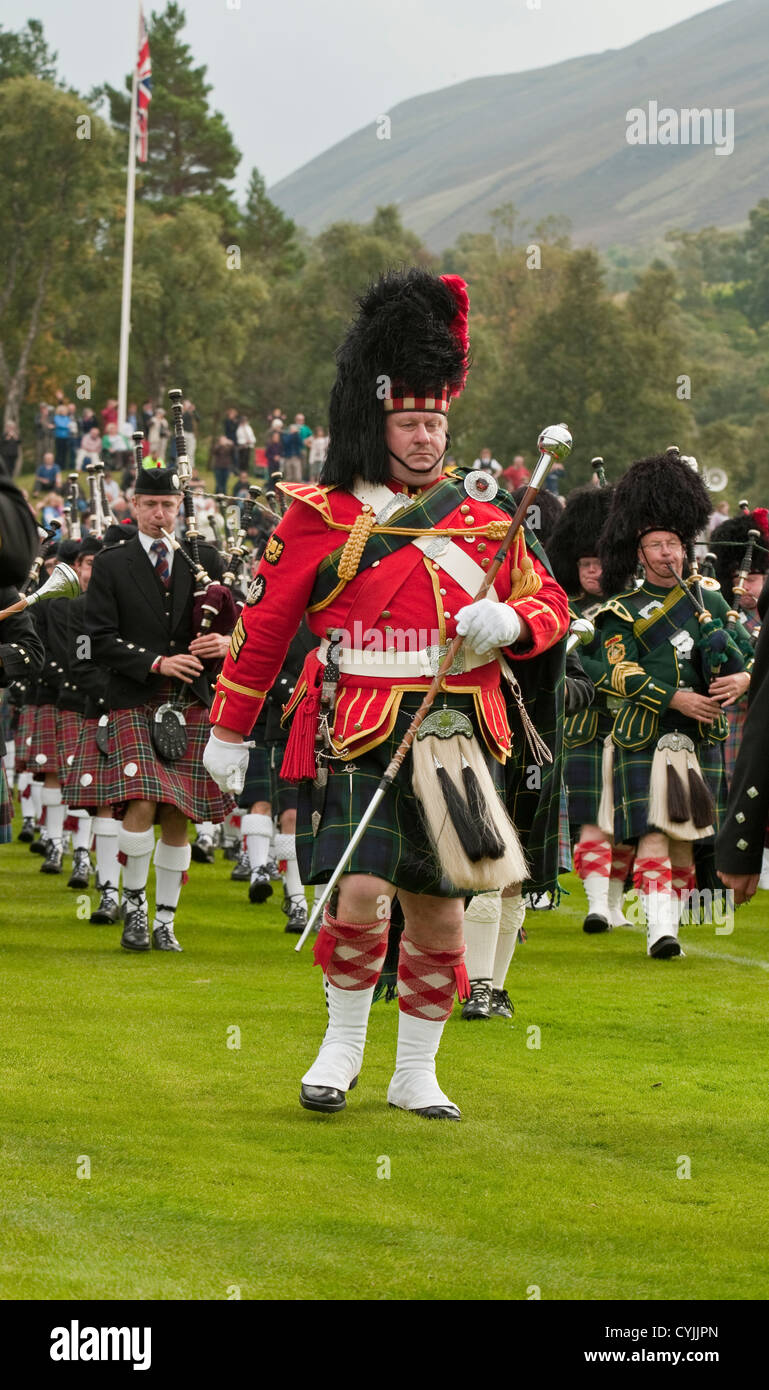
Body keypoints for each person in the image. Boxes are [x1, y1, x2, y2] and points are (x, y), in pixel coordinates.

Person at [204, 268, 569, 1120]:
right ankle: (340, 1046)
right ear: (377, 422)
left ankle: (416, 1073)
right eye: (408, 422)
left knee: (441, 915)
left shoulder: (489, 515)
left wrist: (510, 625)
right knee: (360, 893)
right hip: (365, 722)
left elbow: (549, 602)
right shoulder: (322, 514)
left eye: (434, 422)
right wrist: (230, 729)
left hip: (457, 726)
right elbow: (262, 627)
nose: (423, 438)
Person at [593, 451, 753, 960]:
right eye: (656, 546)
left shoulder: (711, 598)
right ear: (639, 555)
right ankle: (658, 931)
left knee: (684, 837)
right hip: (647, 732)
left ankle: (668, 925)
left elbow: (747, 651)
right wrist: (674, 696)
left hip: (700, 736)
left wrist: (743, 678)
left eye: (674, 544)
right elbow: (612, 670)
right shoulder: (622, 611)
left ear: (686, 547)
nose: (667, 554)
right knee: (655, 833)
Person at [84, 463, 233, 953]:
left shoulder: (203, 558)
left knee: (177, 812)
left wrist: (225, 642)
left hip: (190, 699)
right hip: (136, 695)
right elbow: (97, 640)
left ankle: (165, 920)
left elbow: (245, 626)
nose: (159, 514)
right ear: (133, 505)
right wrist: (156, 663)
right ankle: (133, 910)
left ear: (180, 507)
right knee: (143, 801)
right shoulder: (111, 563)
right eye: (150, 504)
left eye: (168, 505)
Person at [548, 484, 636, 933]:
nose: (592, 572)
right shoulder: (563, 609)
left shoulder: (632, 611)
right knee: (589, 819)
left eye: (600, 564)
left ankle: (617, 905)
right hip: (585, 725)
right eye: (585, 564)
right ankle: (597, 904)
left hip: (632, 726)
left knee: (623, 822)